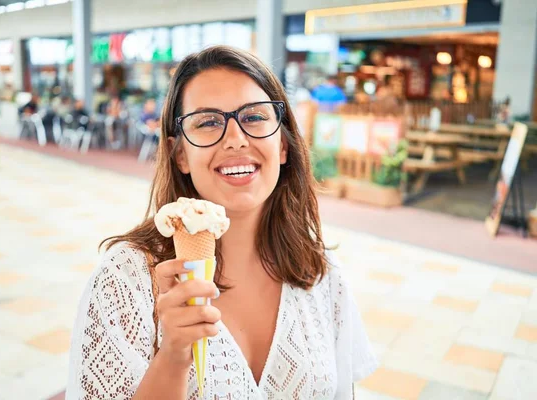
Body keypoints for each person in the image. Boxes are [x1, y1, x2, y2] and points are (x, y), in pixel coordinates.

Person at [66, 46, 377, 399]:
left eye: (255, 117)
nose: (236, 140)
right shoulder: (125, 279)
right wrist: (173, 355)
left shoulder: (321, 271)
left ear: (284, 146)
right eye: (208, 121)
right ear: (179, 154)